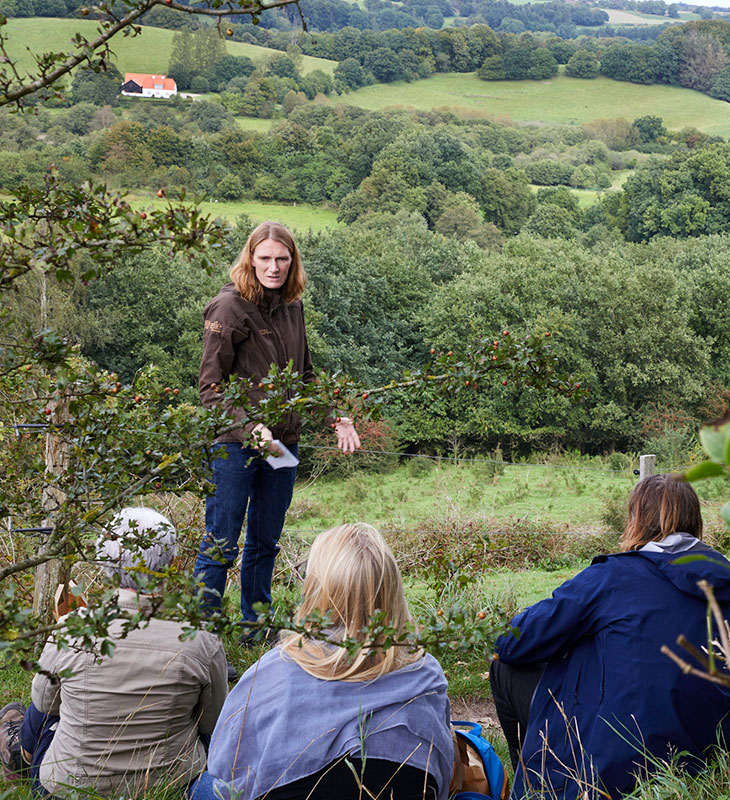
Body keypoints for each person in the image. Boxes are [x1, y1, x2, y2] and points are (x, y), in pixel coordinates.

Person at [489, 475, 730, 800]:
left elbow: (513, 642)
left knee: (504, 665)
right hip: (701, 756)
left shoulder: (613, 577)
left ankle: (535, 788)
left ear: (639, 520)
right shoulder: (719, 583)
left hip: (615, 770)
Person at [192, 523, 454, 800]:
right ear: (392, 590)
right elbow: (441, 774)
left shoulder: (270, 673)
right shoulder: (426, 674)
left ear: (314, 589)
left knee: (203, 786)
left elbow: (226, 770)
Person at [194, 221, 360, 641]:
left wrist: (334, 415)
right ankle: (203, 640)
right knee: (222, 542)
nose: (273, 267)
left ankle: (256, 626)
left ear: (293, 261)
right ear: (250, 258)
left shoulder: (292, 306)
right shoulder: (227, 308)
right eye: (265, 258)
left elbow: (303, 376)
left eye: (282, 259)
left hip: (283, 445)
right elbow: (210, 388)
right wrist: (249, 427)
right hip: (234, 444)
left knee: (266, 541)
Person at [0, 508, 228, 797]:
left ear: (104, 564)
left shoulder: (72, 629)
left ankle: (20, 751)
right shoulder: (202, 637)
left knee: (49, 704)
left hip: (69, 788)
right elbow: (212, 720)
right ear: (171, 563)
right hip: (170, 785)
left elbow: (45, 705)